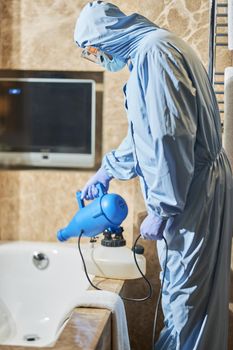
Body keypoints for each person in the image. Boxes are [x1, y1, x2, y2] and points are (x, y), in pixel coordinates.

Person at [74, 1, 233, 349]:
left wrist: (162, 207)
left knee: (186, 300)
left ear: (103, 38)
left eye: (93, 51)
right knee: (191, 296)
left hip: (193, 194)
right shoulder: (156, 48)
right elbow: (143, 134)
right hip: (197, 188)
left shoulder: (154, 54)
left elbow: (169, 136)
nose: (98, 57)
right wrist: (107, 169)